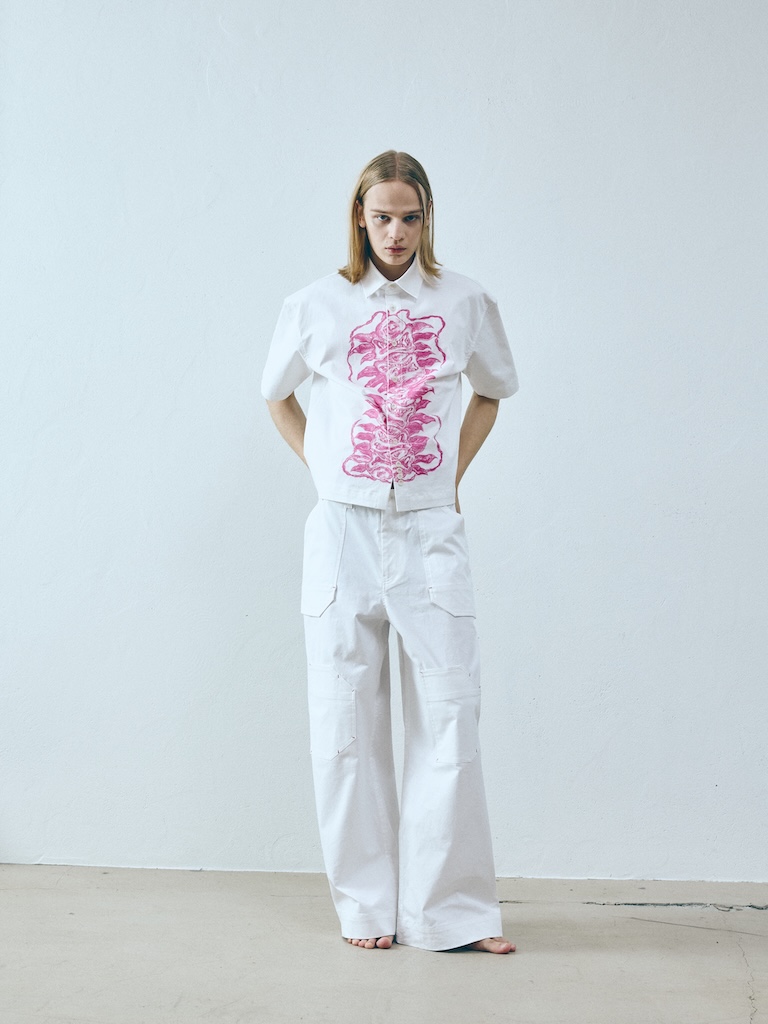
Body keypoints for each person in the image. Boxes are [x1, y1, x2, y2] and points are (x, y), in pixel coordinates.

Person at [261, 151, 518, 953]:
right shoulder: (315, 305)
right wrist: (326, 470)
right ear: (359, 218)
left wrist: (450, 473)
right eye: (382, 217)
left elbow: (492, 392)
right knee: (345, 721)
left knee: (450, 715)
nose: (396, 232)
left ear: (427, 217)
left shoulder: (466, 301)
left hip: (429, 531)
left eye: (410, 217)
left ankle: (450, 914)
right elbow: (276, 394)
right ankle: (366, 909)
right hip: (343, 532)